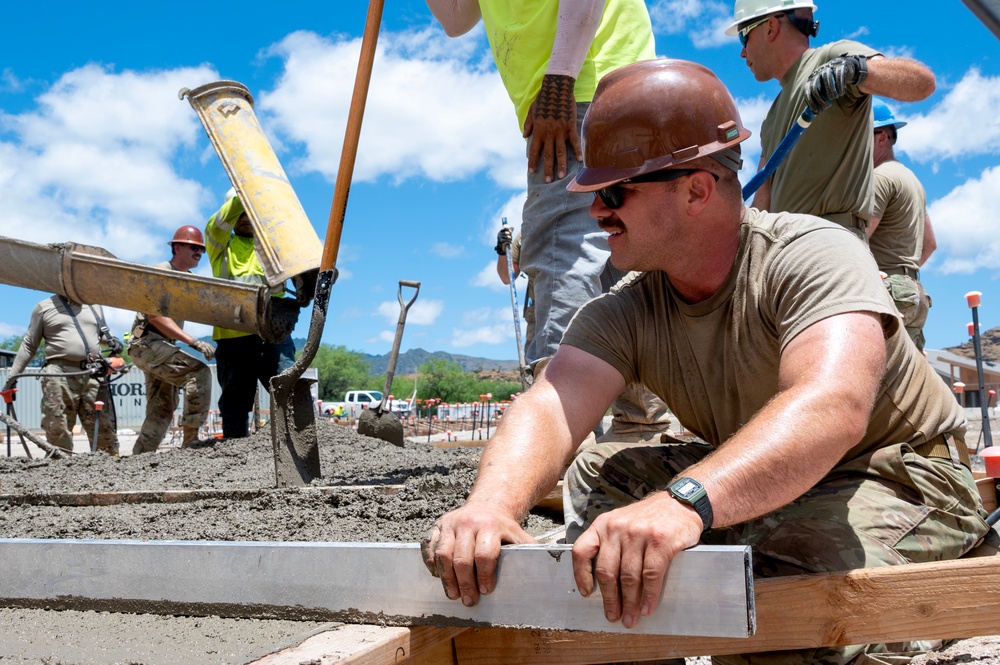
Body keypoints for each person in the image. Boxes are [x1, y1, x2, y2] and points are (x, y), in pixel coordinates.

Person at [422, 59, 987, 665]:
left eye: (614, 193)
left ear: (695, 189)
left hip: (897, 472)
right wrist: (491, 507)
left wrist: (683, 503)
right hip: (776, 480)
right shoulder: (632, 306)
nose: (597, 213)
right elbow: (552, 407)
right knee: (605, 475)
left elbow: (832, 404)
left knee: (787, 616)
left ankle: (907, 617)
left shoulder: (810, 255)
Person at [427, 0, 656, 365]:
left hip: (575, 94)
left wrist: (559, 80)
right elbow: (456, 17)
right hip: (618, 92)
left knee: (561, 251)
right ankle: (642, 422)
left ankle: (557, 416)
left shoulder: (566, 89)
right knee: (624, 264)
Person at [729, 0, 935, 241]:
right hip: (785, 251)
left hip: (832, 242)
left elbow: (922, 83)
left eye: (744, 37)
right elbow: (762, 200)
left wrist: (857, 70)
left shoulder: (831, 57)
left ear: (771, 27)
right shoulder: (772, 115)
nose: (742, 52)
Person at [205, 191, 296, 438]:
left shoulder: (271, 248)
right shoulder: (220, 244)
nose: (246, 217)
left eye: (251, 212)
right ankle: (236, 450)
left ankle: (296, 441)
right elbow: (219, 223)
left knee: (289, 386)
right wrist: (248, 191)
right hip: (233, 332)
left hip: (273, 330)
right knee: (235, 400)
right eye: (240, 212)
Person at [128, 226, 215, 453]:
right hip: (147, 343)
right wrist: (194, 342)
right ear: (177, 247)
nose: (199, 253)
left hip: (162, 346)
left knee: (162, 409)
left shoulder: (188, 280)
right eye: (194, 247)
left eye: (201, 250)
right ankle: (190, 443)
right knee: (199, 373)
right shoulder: (162, 272)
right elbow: (155, 317)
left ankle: (140, 460)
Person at [4, 295, 122, 454]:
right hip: (59, 374)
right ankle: (60, 468)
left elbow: (99, 335)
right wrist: (12, 377)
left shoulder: (94, 305)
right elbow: (29, 345)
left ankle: (109, 468)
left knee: (103, 427)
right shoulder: (44, 308)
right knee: (58, 426)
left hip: (93, 372)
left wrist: (112, 341)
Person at [869, 97, 936, 352]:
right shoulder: (911, 180)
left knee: (874, 382)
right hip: (914, 295)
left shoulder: (879, 178)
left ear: (882, 137)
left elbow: (856, 240)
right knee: (907, 385)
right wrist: (904, 280)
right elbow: (929, 244)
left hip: (889, 292)